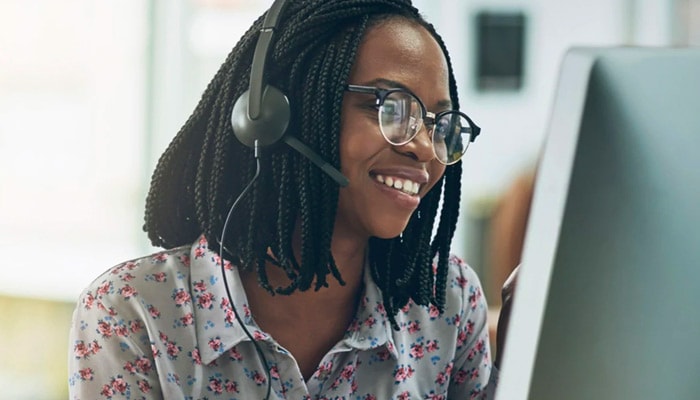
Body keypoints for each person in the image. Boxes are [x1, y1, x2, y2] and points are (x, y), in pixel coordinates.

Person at [68, 0, 499, 398]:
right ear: (273, 115)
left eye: (439, 123)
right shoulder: (132, 314)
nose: (424, 148)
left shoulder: (448, 303)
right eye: (391, 108)